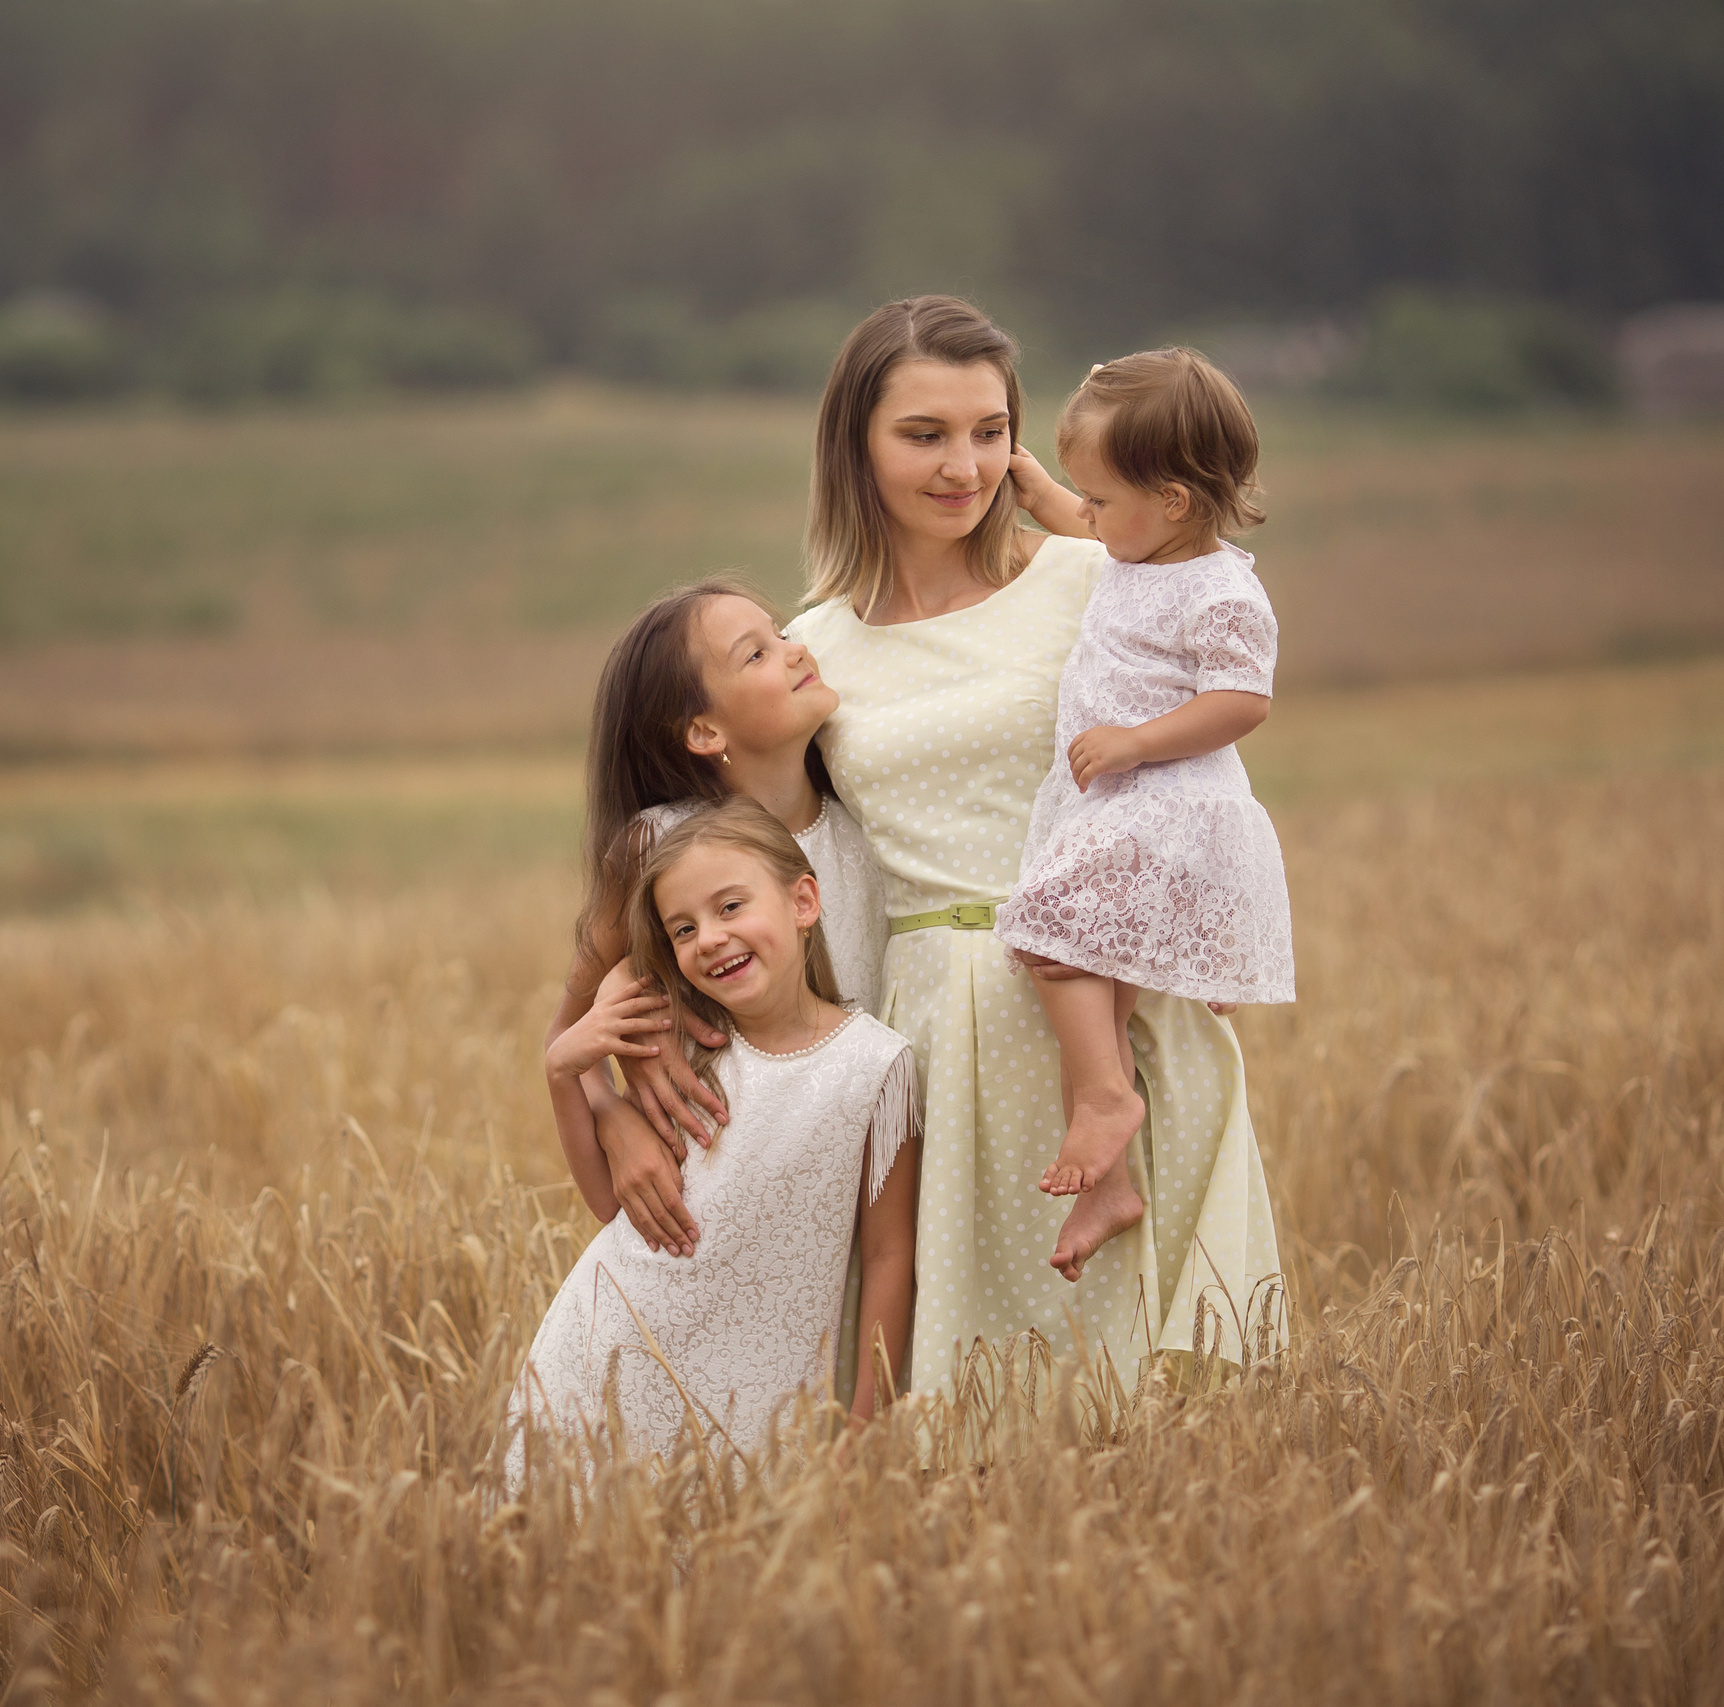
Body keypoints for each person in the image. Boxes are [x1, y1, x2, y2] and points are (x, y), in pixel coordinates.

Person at [752, 295, 1284, 1393]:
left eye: (990, 431)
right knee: (963, 1430)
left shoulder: (1097, 578)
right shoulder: (809, 646)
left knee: (1148, 1428)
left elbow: (1204, 758)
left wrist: (1209, 922)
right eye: (924, 434)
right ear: (852, 443)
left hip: (1118, 1027)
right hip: (935, 1044)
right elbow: (779, 854)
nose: (966, 466)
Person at [996, 349, 1295, 1276]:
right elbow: (1061, 513)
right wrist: (1021, 473)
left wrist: (1135, 739)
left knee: (1049, 931)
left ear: (1170, 499)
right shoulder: (1131, 549)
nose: (1083, 515)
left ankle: (1104, 1104)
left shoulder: (1220, 589)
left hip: (1168, 806)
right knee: (1098, 990)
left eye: (1099, 500)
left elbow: (1242, 701)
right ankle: (1110, 1182)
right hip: (1121, 810)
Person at [514, 799, 921, 1469]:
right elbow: (610, 1207)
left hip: (756, 1399)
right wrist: (564, 1070)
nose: (707, 937)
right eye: (682, 928)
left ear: (804, 901)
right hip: (606, 1368)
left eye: (730, 907)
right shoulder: (680, 1050)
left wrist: (865, 1428)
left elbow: (886, 1255)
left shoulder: (878, 1066)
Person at [544, 580, 887, 1260]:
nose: (795, 652)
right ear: (704, 731)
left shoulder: (868, 829)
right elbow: (570, 1029)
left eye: (783, 634)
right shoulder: (660, 846)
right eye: (756, 654)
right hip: (710, 1216)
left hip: (839, 1210)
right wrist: (612, 1116)